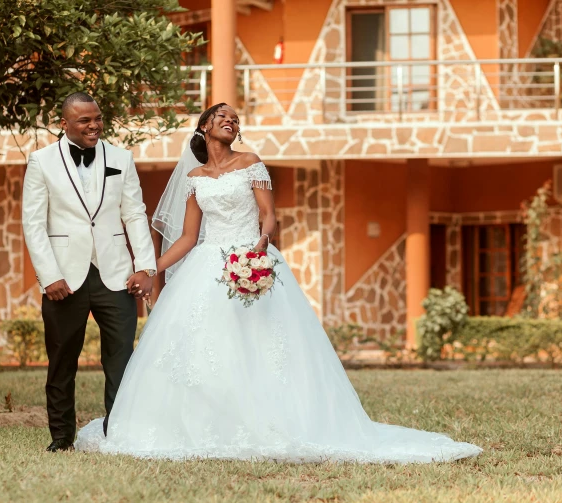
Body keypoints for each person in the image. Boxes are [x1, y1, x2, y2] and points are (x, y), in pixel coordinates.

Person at [75, 102, 482, 463]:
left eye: (235, 119)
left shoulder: (251, 162)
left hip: (252, 256)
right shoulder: (196, 177)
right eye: (221, 117)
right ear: (204, 128)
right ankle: (204, 422)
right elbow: (186, 236)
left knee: (265, 343)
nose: (230, 121)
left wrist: (261, 245)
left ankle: (276, 421)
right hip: (207, 265)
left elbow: (268, 214)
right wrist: (152, 270)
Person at [22, 92, 157, 452]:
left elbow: (134, 213)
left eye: (98, 118)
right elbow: (33, 224)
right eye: (85, 120)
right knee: (62, 361)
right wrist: (48, 276)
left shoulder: (121, 158)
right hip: (63, 277)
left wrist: (145, 266)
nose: (94, 125)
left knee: (122, 360)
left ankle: (119, 434)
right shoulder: (41, 162)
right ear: (64, 124)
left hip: (117, 275)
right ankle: (62, 438)